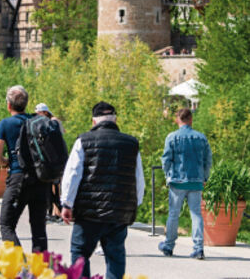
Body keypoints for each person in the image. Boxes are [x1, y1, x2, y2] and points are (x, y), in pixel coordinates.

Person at [60, 102, 145, 279]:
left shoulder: (83, 141)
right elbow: (138, 179)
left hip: (89, 212)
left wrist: (66, 203)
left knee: (80, 253)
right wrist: (133, 205)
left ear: (94, 121)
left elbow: (73, 174)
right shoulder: (131, 144)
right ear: (115, 120)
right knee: (115, 257)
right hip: (118, 213)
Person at [0, 85, 49, 252]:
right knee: (39, 229)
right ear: (26, 104)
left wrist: (7, 162)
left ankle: (20, 267)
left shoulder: (6, 124)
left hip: (18, 179)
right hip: (40, 179)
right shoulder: (36, 122)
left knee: (7, 224)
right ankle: (40, 271)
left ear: (9, 105)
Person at [158, 108, 212, 260]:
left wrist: (168, 175)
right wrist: (205, 177)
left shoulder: (172, 137)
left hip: (177, 181)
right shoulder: (201, 138)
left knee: (174, 214)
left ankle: (168, 246)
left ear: (177, 120)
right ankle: (198, 248)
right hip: (196, 181)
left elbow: (166, 160)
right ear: (191, 119)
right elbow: (208, 161)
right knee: (196, 214)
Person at [35, 103, 63, 223]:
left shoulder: (52, 123)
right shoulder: (53, 122)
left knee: (50, 188)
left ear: (45, 112)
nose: (37, 115)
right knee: (51, 189)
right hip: (55, 160)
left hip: (51, 160)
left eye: (38, 113)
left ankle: (53, 212)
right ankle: (55, 212)